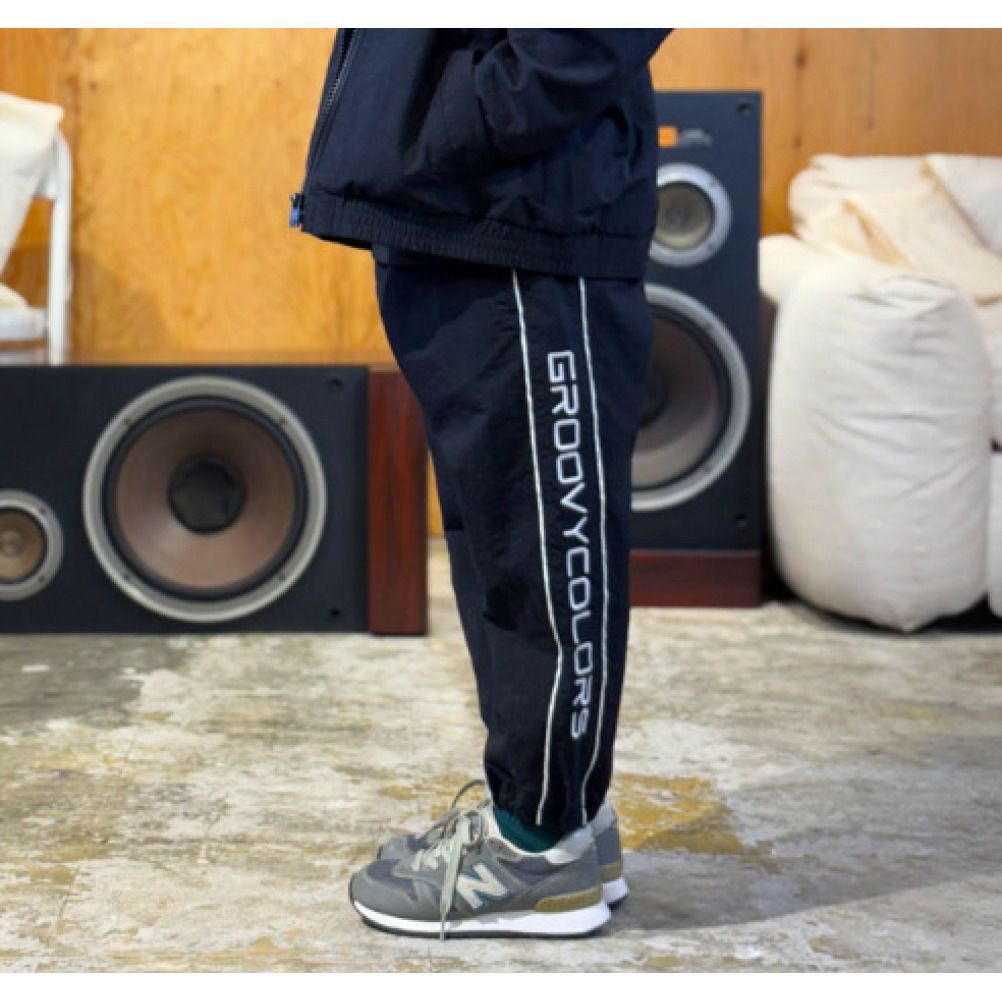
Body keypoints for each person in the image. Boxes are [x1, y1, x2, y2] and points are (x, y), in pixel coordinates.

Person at [292, 27, 672, 939]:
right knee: (502, 545)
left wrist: (480, 113)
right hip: (454, 195)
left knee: (542, 545)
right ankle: (556, 811)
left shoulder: (496, 145)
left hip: (516, 194)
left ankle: (538, 850)